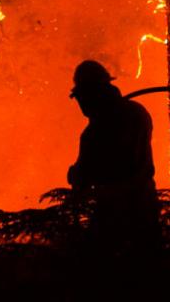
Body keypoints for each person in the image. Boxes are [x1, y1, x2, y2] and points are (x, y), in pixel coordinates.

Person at [67, 60, 159, 255]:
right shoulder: (137, 112)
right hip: (146, 206)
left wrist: (75, 175)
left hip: (113, 213)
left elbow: (88, 178)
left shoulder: (95, 132)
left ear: (93, 93)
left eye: (81, 96)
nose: (80, 103)